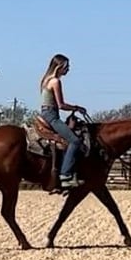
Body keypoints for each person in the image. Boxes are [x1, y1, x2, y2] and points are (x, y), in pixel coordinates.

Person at [39, 53, 87, 187]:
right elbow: (61, 105)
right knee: (75, 141)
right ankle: (65, 174)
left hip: (45, 113)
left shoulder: (45, 80)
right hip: (52, 116)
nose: (68, 69)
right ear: (59, 66)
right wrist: (77, 108)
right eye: (66, 66)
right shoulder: (55, 81)